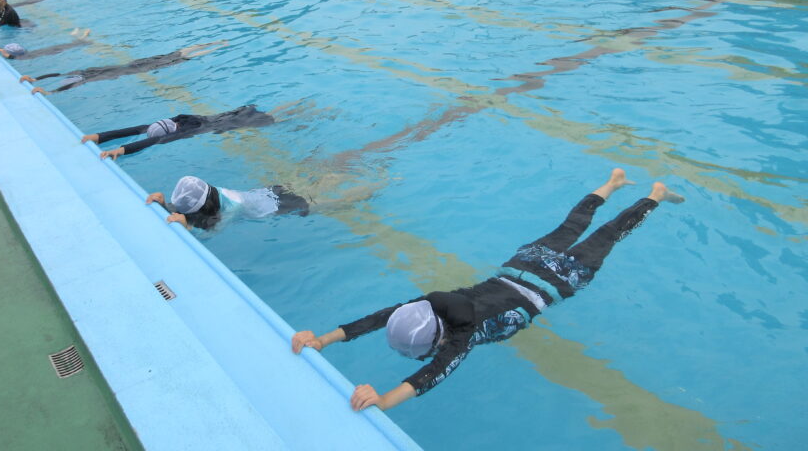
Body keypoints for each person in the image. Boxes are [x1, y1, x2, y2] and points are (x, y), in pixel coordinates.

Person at [291, 169, 684, 413]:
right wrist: (321, 340)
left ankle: (656, 195)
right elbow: (378, 318)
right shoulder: (428, 304)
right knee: (572, 224)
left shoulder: (461, 337)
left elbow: (430, 375)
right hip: (524, 263)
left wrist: (384, 400)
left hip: (560, 280)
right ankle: (613, 182)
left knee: (610, 234)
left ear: (437, 340)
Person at [20, 41, 226, 94]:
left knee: (177, 58)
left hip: (136, 68)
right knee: (174, 55)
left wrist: (49, 91)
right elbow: (60, 75)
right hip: (134, 65)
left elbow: (65, 81)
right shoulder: (84, 73)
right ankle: (213, 44)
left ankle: (213, 47)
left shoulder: (85, 77)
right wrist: (37, 80)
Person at [82, 104, 275, 160]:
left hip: (231, 123)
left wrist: (120, 150)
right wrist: (99, 137)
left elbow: (149, 141)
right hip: (228, 115)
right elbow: (134, 130)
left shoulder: (184, 133)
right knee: (272, 114)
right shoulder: (180, 119)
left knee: (276, 118)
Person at [146, 175, 310, 232]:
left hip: (278, 206)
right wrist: (163, 205)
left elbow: (212, 232)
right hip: (264, 193)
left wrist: (187, 229)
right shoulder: (209, 193)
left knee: (317, 202)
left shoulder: (233, 208)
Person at [0, 29, 91, 59]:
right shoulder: (25, 54)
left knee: (74, 45)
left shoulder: (21, 58)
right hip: (49, 50)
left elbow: (9, 56)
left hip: (50, 52)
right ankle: (81, 36)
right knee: (71, 45)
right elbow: (8, 54)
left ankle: (84, 36)